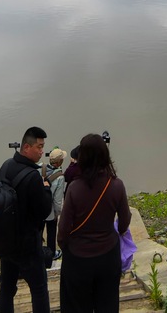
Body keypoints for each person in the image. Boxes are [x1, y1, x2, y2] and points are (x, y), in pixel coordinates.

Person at [57, 134, 131, 313]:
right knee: (107, 306)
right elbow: (124, 222)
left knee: (76, 307)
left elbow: (63, 229)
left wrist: (64, 246)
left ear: (83, 157)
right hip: (108, 256)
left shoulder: (74, 188)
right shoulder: (116, 185)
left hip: (78, 259)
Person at [0, 127, 54, 313]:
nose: (42, 151)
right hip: (27, 245)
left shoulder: (6, 166)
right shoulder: (33, 176)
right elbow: (44, 211)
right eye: (39, 147)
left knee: (7, 287)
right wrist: (46, 188)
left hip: (6, 241)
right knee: (39, 289)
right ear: (26, 147)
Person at [43, 148, 67, 260]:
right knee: (51, 233)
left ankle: (37, 253)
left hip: (38, 209)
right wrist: (57, 213)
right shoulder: (60, 177)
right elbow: (57, 200)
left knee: (38, 233)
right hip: (50, 211)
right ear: (59, 162)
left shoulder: (40, 167)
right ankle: (51, 254)